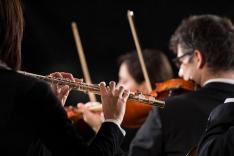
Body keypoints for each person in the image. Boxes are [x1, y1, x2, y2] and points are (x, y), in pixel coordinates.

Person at [0, 0, 130, 155]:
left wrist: (45, 117)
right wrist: (112, 122)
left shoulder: (30, 93)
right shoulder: (32, 91)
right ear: (11, 26)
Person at [128, 14, 234, 156]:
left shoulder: (168, 111)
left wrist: (107, 129)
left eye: (181, 61)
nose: (180, 72)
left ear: (198, 58)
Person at [78, 49, 173, 155]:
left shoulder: (154, 128)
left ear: (145, 86)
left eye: (123, 81)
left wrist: (103, 127)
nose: (118, 87)